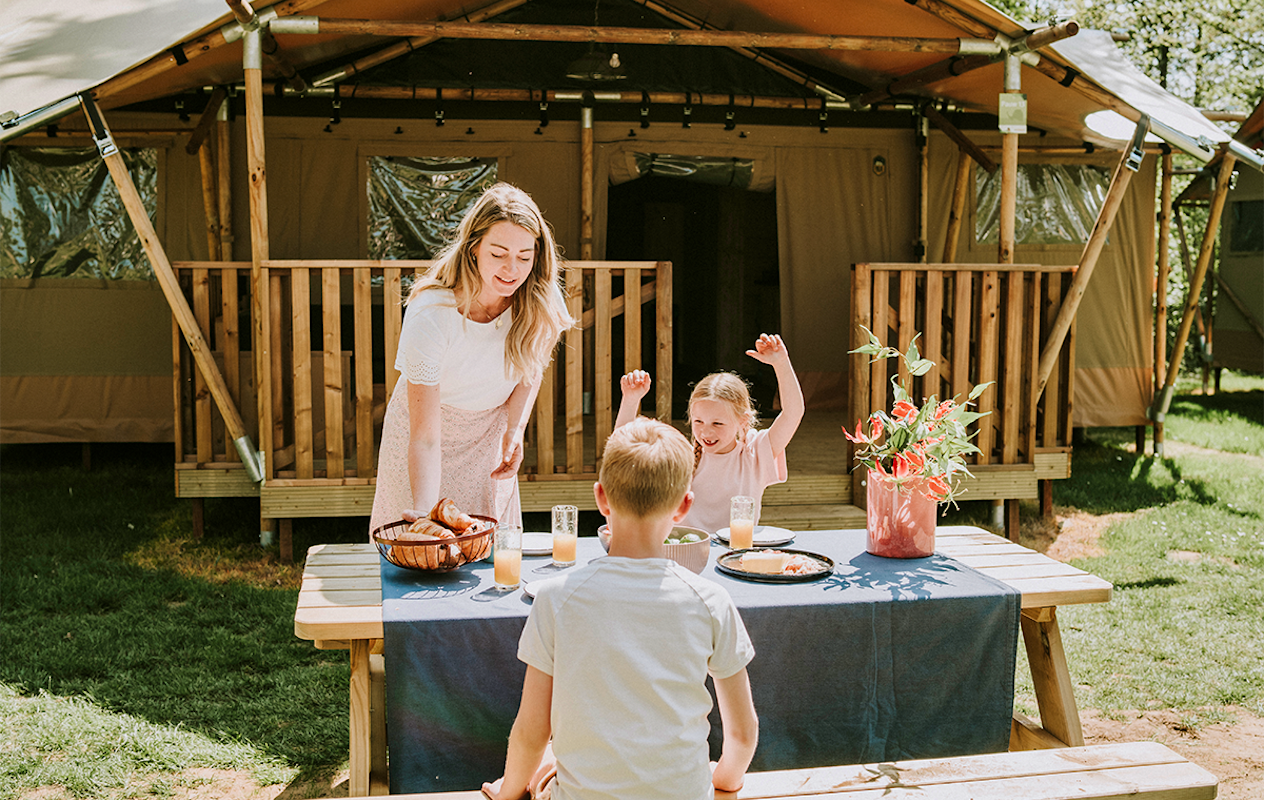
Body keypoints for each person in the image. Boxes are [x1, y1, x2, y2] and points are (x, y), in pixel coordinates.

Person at [482, 417, 759, 800]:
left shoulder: (556, 597)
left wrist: (508, 792)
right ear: (683, 507)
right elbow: (743, 735)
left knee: (547, 764)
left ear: (600, 498)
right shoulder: (710, 600)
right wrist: (724, 783)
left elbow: (532, 731)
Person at [369, 183, 573, 537]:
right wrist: (425, 516)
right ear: (474, 247)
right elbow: (425, 436)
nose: (512, 269)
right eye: (499, 254)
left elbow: (530, 366)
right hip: (423, 437)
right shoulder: (431, 313)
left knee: (488, 555)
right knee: (423, 552)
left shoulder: (541, 298)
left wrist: (514, 428)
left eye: (525, 257)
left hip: (488, 435)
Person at [614, 334, 804, 534]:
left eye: (717, 423)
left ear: (743, 420)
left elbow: (793, 412)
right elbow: (623, 448)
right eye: (698, 421)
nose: (705, 431)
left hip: (735, 557)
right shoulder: (680, 455)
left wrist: (781, 363)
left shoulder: (755, 454)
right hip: (683, 556)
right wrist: (630, 400)